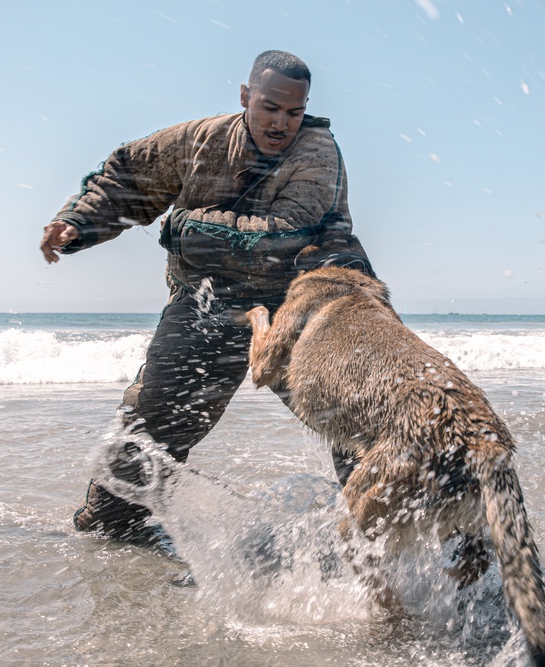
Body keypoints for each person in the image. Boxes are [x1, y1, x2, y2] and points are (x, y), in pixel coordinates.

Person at [40, 50, 374, 545]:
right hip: (209, 297)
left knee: (360, 416)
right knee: (154, 416)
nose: (282, 123)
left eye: (294, 112)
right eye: (270, 107)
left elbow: (282, 236)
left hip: (302, 300)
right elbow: (129, 175)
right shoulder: (202, 139)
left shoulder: (317, 151)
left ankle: (386, 534)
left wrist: (184, 225)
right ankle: (110, 526)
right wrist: (80, 221)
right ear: (245, 97)